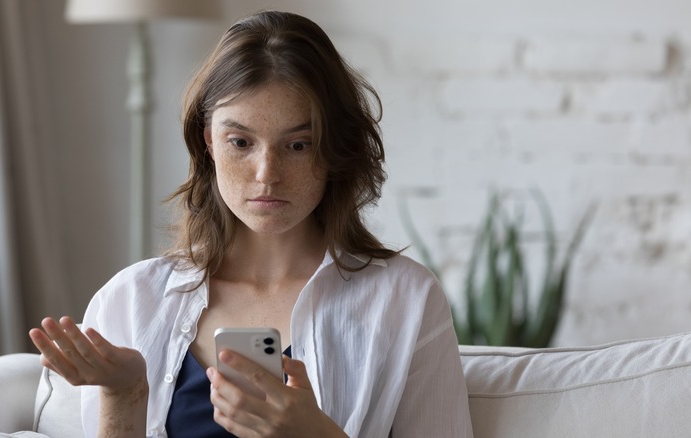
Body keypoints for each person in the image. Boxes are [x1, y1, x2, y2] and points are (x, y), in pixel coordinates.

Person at [29, 10, 473, 438]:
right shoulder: (130, 300)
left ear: (334, 149)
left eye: (298, 145)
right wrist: (125, 394)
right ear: (208, 142)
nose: (267, 173)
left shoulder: (404, 301)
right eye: (240, 141)